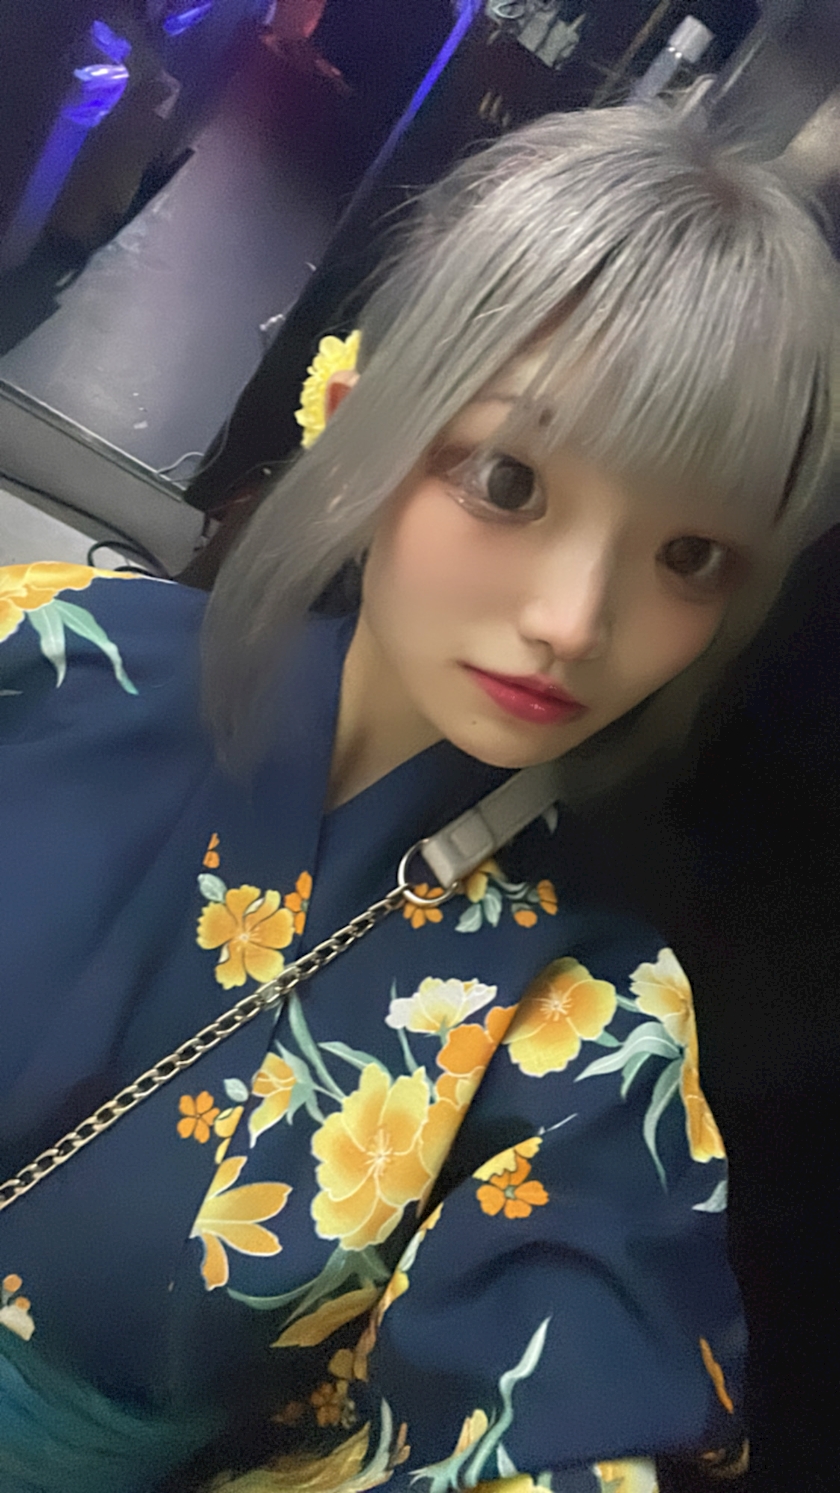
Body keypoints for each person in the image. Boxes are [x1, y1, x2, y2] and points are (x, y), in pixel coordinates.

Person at [0, 90, 837, 1493]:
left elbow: (565, 1390)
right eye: (510, 479)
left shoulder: (585, 1019)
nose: (574, 620)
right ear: (361, 417)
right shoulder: (43, 643)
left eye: (691, 557)